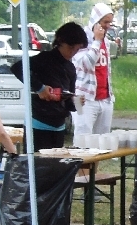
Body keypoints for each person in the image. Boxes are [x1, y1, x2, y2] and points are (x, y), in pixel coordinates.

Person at [12, 22, 88, 152]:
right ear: (60, 42)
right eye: (70, 47)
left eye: (76, 49)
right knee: (38, 163)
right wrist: (40, 88)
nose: (72, 52)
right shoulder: (44, 58)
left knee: (55, 162)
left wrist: (77, 102)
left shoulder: (70, 68)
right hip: (38, 124)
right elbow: (17, 68)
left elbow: (69, 103)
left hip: (59, 126)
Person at [73, 2, 115, 140]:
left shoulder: (106, 40)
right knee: (82, 139)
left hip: (105, 98)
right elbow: (86, 64)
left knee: (103, 141)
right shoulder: (81, 38)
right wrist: (96, 41)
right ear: (96, 21)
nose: (108, 26)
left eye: (110, 22)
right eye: (105, 22)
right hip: (83, 98)